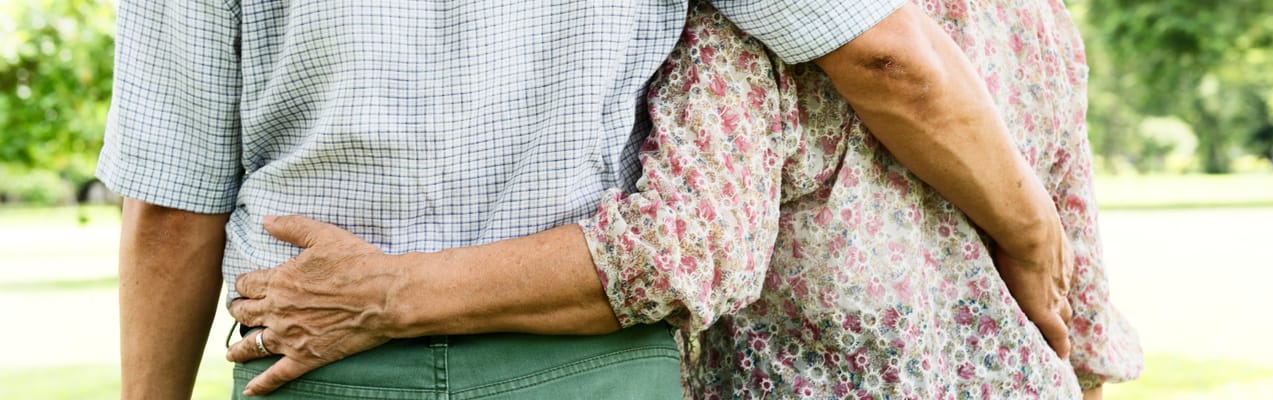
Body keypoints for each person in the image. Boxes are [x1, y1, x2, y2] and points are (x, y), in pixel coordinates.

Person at [102, 1, 1084, 400]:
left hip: (313, 366)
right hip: (587, 365)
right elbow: (886, 58)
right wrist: (1033, 233)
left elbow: (169, 212)